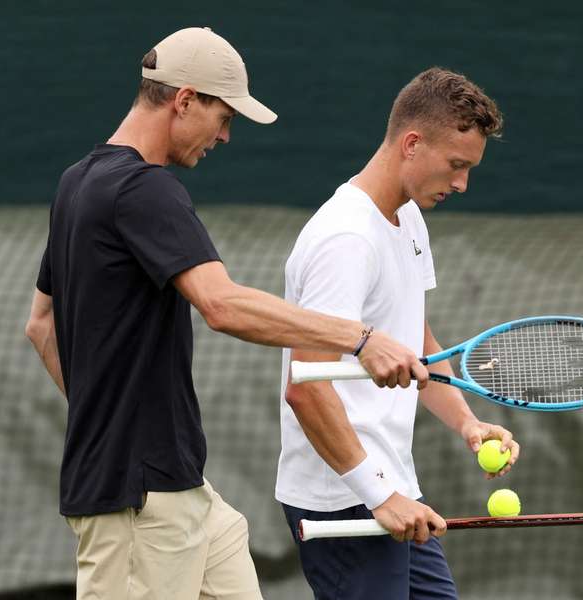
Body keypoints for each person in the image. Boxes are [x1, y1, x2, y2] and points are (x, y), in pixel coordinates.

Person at [24, 27, 429, 600]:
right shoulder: (146, 189)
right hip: (138, 500)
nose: (227, 135)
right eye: (224, 116)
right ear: (185, 99)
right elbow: (221, 304)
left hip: (179, 487)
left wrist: (106, 421)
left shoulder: (76, 183)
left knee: (229, 546)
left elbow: (40, 324)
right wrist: (361, 338)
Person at [277, 67, 521, 599]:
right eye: (456, 165)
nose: (462, 184)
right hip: (345, 495)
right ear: (412, 143)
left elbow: (416, 337)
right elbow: (305, 384)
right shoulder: (345, 239)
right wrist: (377, 495)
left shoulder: (408, 218)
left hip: (392, 489)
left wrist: (466, 422)